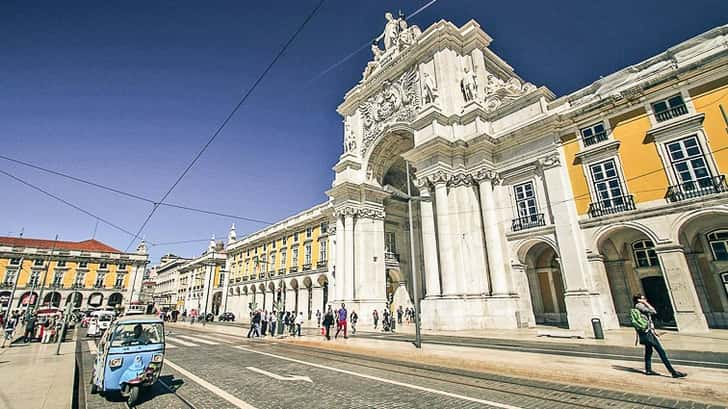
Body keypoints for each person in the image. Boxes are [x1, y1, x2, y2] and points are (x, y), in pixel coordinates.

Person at [631, 294, 686, 378]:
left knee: (648, 352)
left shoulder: (637, 306)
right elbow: (653, 311)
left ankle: (648, 370)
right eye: (643, 298)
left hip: (645, 333)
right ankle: (673, 372)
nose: (645, 299)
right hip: (648, 333)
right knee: (661, 352)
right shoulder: (640, 306)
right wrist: (646, 303)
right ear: (639, 300)